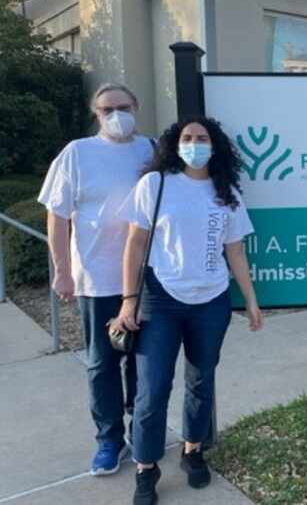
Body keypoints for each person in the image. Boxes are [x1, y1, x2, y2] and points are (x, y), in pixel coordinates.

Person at [112, 116, 264, 505]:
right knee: (152, 389)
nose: (194, 143)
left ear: (215, 146)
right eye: (187, 137)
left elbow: (235, 250)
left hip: (211, 300)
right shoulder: (157, 184)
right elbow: (135, 243)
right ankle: (146, 468)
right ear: (174, 144)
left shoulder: (225, 190)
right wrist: (129, 299)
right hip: (160, 299)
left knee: (201, 381)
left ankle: (193, 451)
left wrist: (249, 299)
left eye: (202, 138)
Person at [38, 83, 154, 475]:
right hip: (96, 278)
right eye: (107, 110)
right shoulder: (77, 153)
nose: (116, 115)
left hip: (144, 279)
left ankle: (141, 430)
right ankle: (109, 440)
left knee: (143, 361)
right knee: (101, 363)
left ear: (136, 106)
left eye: (122, 106)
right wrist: (62, 271)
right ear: (96, 115)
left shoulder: (152, 150)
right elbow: (57, 215)